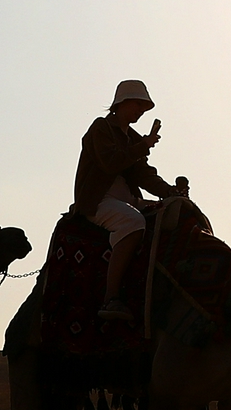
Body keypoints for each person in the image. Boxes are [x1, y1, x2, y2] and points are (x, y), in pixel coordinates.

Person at [74, 80, 179, 323]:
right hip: (98, 201)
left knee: (170, 213)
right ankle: (111, 298)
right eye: (138, 104)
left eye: (145, 106)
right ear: (121, 103)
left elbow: (144, 175)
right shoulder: (101, 128)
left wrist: (171, 193)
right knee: (133, 222)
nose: (141, 110)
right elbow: (110, 162)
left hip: (129, 199)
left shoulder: (132, 138)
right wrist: (143, 145)